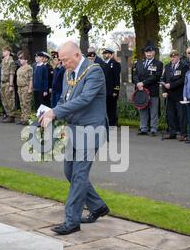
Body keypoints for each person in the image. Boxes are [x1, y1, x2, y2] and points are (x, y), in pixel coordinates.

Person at [39, 41, 110, 236]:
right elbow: (64, 99)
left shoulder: (94, 71)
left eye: (65, 60)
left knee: (79, 175)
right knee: (69, 171)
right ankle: (97, 206)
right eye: (60, 61)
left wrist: (55, 112)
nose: (62, 64)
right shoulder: (68, 73)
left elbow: (85, 99)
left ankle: (71, 221)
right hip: (74, 130)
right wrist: (48, 112)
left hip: (91, 130)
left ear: (77, 55)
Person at [132, 45, 163, 135]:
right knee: (142, 110)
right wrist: (138, 83)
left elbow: (156, 76)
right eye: (147, 52)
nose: (148, 54)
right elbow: (135, 75)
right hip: (141, 91)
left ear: (154, 53)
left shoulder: (158, 64)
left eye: (150, 52)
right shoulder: (138, 63)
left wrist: (143, 83)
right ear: (145, 53)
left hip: (152, 91)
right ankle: (143, 128)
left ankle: (153, 129)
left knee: (153, 111)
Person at [161, 49, 190, 141]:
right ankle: (172, 132)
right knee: (170, 115)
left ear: (178, 57)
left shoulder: (184, 66)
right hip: (169, 95)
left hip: (180, 94)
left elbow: (183, 80)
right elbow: (163, 79)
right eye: (171, 57)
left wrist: (171, 85)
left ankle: (183, 133)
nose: (172, 58)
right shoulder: (167, 66)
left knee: (181, 115)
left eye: (174, 57)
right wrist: (164, 91)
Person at [102, 47, 121, 126]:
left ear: (111, 54)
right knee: (106, 107)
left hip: (112, 91)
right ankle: (107, 122)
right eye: (104, 54)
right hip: (105, 90)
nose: (105, 55)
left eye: (107, 53)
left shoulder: (115, 64)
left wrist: (115, 90)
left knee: (112, 108)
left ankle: (113, 123)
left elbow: (116, 78)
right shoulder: (103, 63)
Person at [16, 52, 33, 125]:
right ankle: (23, 118)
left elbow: (31, 79)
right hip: (20, 88)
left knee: (26, 104)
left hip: (26, 87)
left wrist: (30, 88)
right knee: (22, 104)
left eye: (21, 59)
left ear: (26, 60)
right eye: (19, 58)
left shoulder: (29, 68)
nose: (20, 60)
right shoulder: (20, 68)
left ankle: (27, 119)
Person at [1, 46, 17, 123]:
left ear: (8, 52)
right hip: (3, 83)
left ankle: (11, 116)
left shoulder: (11, 62)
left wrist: (11, 85)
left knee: (10, 99)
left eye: (4, 51)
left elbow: (11, 74)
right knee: (4, 100)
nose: (3, 52)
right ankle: (7, 114)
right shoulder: (3, 60)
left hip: (8, 83)